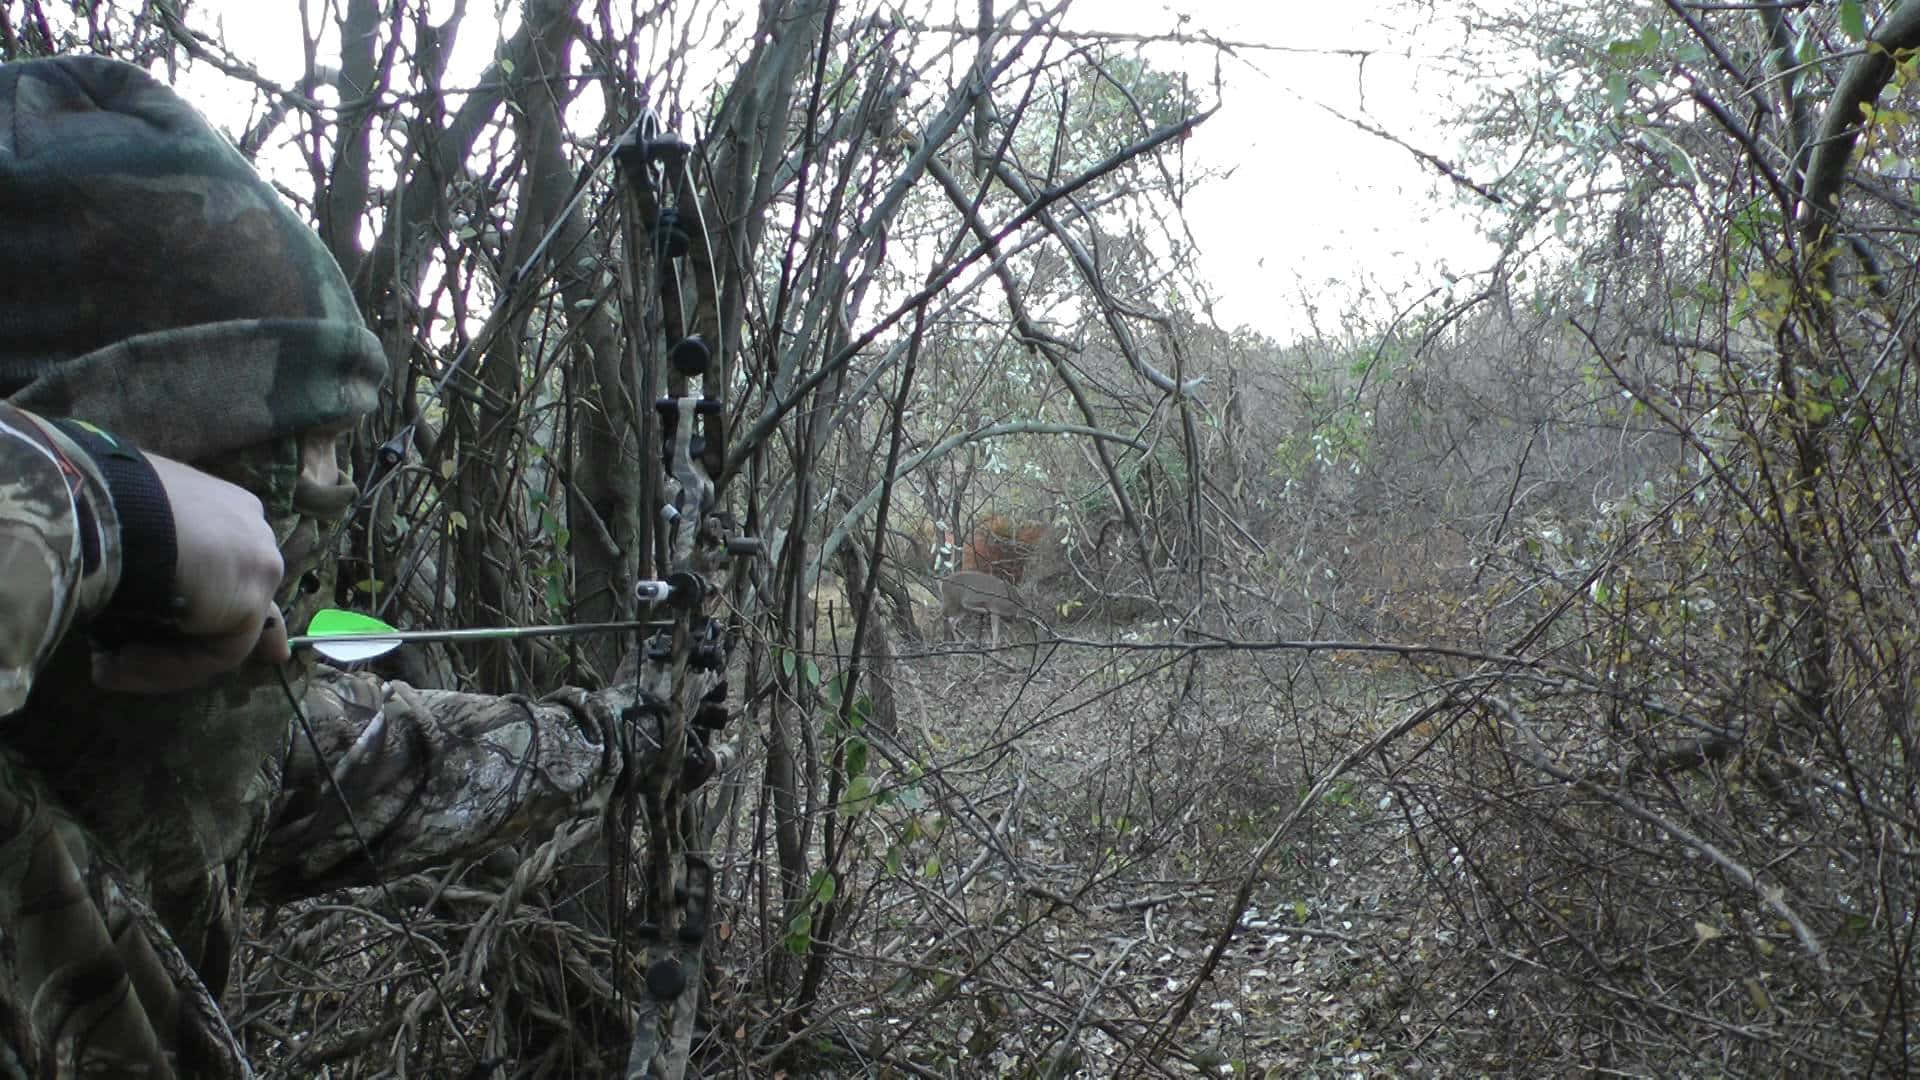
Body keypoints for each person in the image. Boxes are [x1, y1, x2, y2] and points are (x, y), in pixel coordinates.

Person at [0, 55, 660, 1078]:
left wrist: (631, 733)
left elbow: (416, 761)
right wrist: (107, 508)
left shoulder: (203, 745)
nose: (278, 575)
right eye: (244, 494)